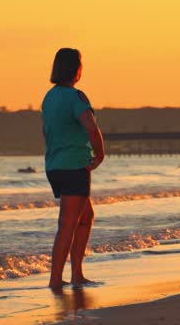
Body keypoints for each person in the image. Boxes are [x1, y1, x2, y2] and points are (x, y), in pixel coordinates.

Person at [41, 48, 106, 290]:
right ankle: (56, 279)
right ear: (76, 70)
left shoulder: (49, 97)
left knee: (85, 216)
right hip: (74, 167)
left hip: (55, 166)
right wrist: (100, 154)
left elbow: (45, 131)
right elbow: (90, 127)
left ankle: (77, 273)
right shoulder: (75, 97)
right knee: (67, 224)